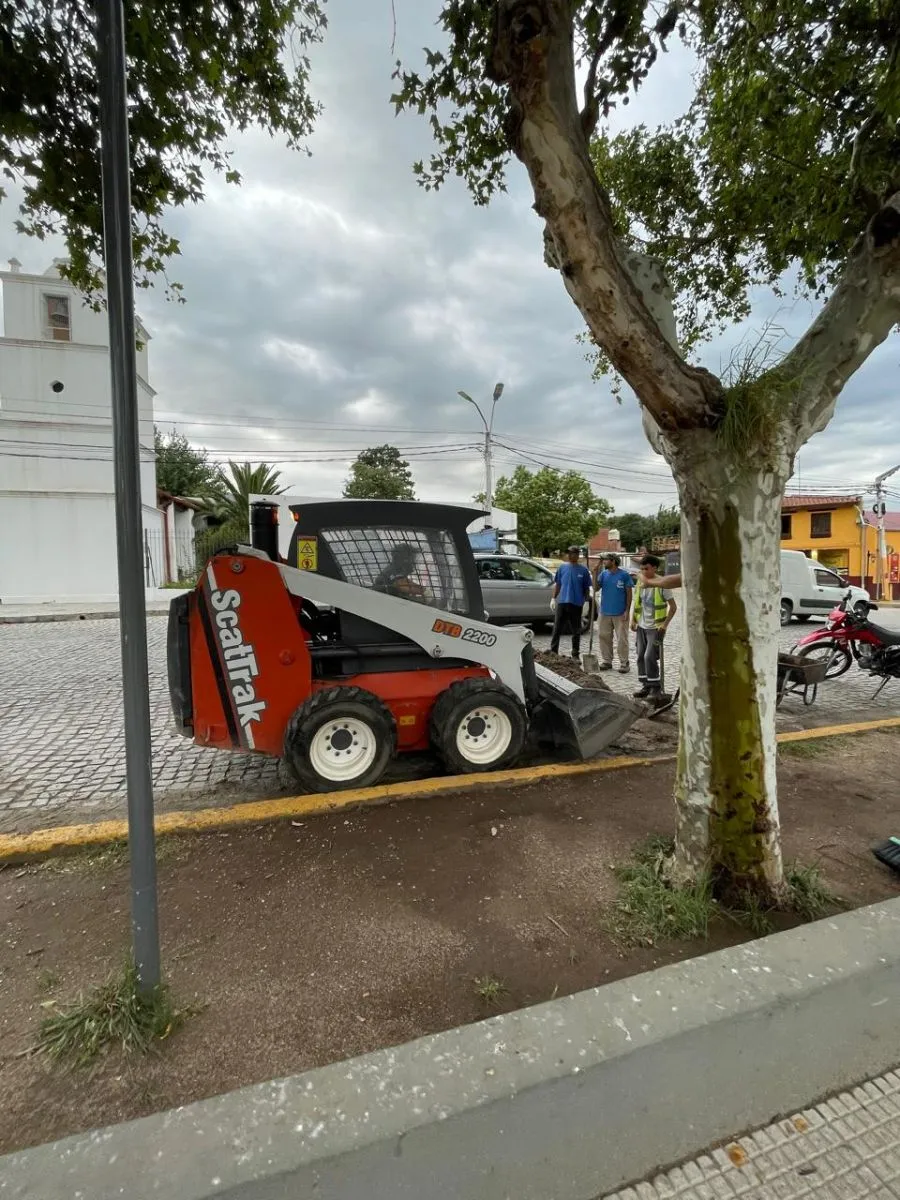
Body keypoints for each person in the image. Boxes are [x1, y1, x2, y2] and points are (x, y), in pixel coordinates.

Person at [631, 554, 677, 701]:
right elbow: (637, 602)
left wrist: (664, 625)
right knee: (640, 656)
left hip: (655, 628)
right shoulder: (640, 583)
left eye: (647, 568)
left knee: (649, 656)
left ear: (655, 568)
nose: (643, 571)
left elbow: (673, 607)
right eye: (642, 569)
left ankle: (655, 688)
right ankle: (646, 685)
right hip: (641, 626)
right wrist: (633, 620)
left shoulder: (662, 584)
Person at [550, 545, 592, 659]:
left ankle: (575, 654)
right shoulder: (562, 568)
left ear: (577, 555)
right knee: (557, 628)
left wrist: (587, 601)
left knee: (576, 630)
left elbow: (586, 588)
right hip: (563, 602)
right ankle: (553, 652)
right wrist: (553, 598)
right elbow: (558, 584)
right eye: (569, 553)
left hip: (576, 603)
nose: (570, 555)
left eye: (573, 553)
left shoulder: (583, 571)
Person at [594, 552, 633, 673]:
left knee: (622, 639)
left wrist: (627, 610)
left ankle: (624, 662)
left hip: (620, 613)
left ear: (613, 561)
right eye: (604, 560)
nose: (604, 562)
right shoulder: (603, 574)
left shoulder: (624, 575)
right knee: (603, 636)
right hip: (605, 611)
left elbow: (629, 594)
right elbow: (595, 588)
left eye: (606, 560)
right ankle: (607, 661)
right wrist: (594, 573)